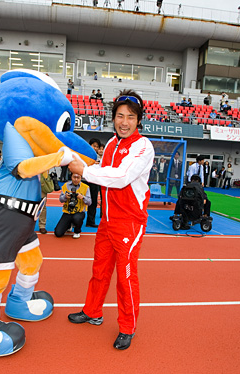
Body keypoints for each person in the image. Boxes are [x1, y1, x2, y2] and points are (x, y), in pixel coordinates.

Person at [67, 89, 154, 350]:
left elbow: (120, 176)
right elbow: (102, 170)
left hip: (129, 222)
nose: (124, 122)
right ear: (113, 118)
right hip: (107, 221)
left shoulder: (143, 146)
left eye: (130, 116)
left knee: (126, 277)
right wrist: (78, 161)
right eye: (119, 116)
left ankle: (128, 327)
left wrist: (83, 171)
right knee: (100, 270)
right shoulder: (111, 144)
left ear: (138, 120)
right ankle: (93, 311)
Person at [54, 172, 91, 238]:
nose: (76, 179)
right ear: (71, 177)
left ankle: (77, 231)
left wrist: (83, 197)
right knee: (58, 233)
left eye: (78, 177)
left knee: (77, 218)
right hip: (68, 212)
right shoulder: (66, 186)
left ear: (81, 178)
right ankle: (69, 225)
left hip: (79, 212)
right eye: (74, 177)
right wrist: (65, 197)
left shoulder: (86, 187)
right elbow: (61, 200)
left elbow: (89, 202)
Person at [83, 138, 102, 227]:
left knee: (93, 202)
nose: (95, 148)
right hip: (84, 181)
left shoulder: (100, 158)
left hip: (94, 181)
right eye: (94, 146)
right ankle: (74, 222)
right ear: (89, 145)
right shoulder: (83, 155)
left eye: (97, 147)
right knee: (80, 200)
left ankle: (90, 221)